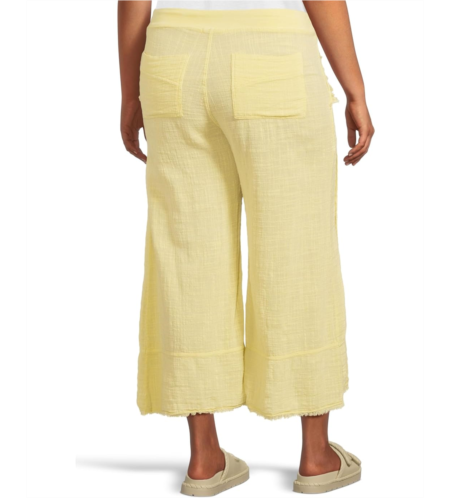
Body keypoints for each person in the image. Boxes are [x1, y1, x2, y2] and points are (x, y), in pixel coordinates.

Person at [118, 0, 374, 495]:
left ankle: (204, 459)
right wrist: (355, 90)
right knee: (298, 252)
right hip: (272, 54)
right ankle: (316, 457)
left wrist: (131, 91)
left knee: (188, 256)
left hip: (172, 59)